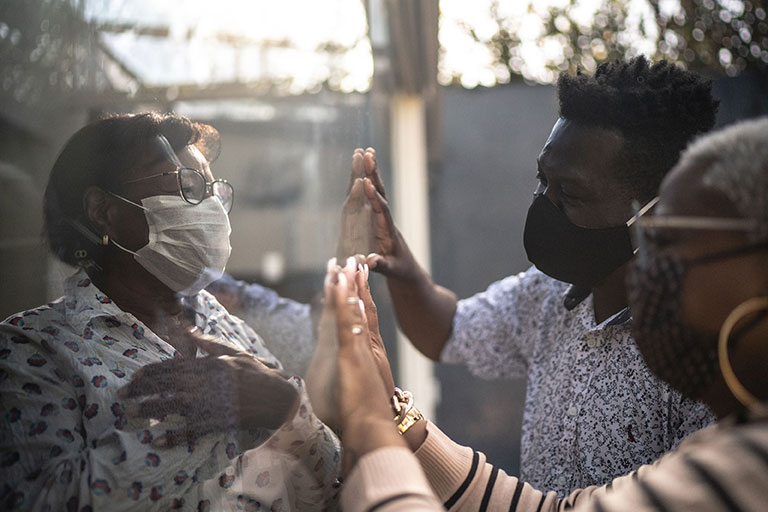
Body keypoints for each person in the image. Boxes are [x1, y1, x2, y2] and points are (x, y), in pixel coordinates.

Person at [333, 116, 768, 511]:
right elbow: (449, 330)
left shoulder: (736, 467)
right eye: (543, 182)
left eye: (669, 239)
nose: (544, 205)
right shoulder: (550, 294)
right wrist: (396, 416)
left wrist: (371, 429)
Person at [0, 113, 341, 511]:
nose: (211, 208)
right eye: (187, 187)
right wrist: (207, 417)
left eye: (212, 191)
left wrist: (287, 406)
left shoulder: (227, 328)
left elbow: (330, 486)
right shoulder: (34, 349)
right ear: (103, 210)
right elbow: (44, 500)